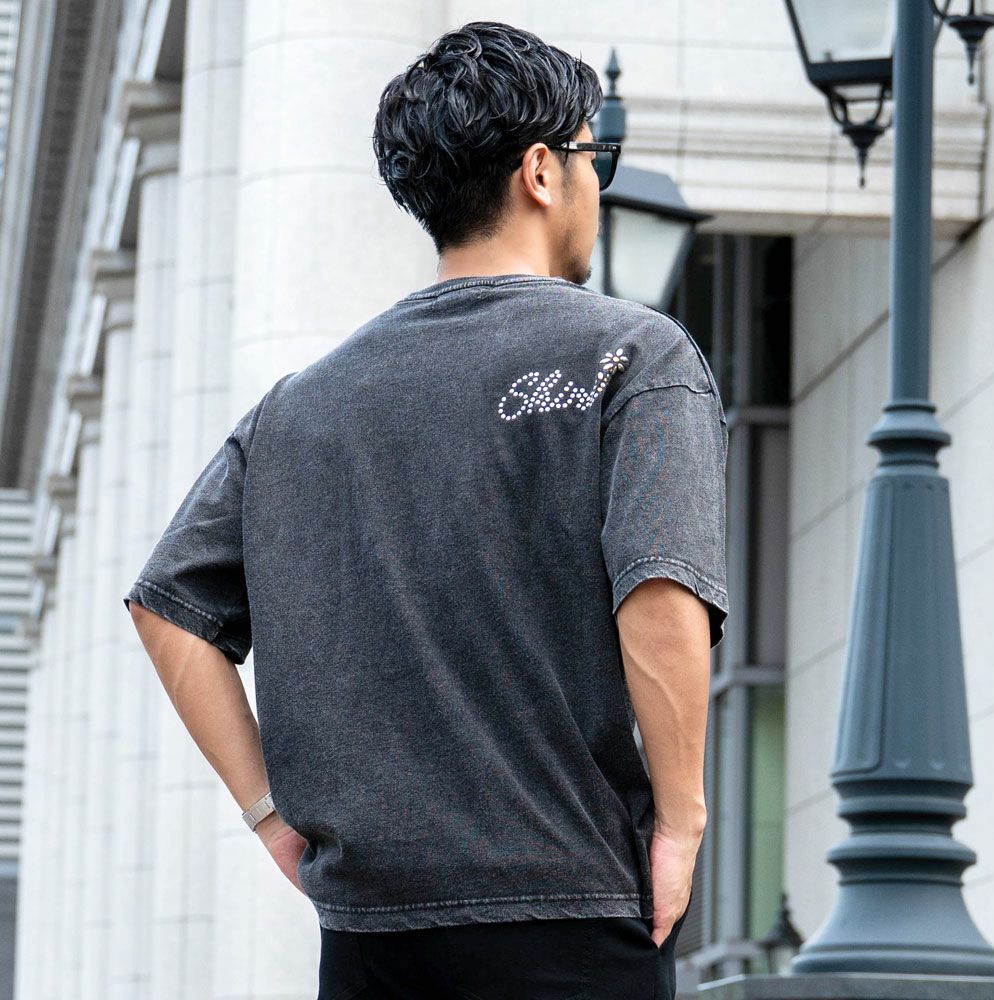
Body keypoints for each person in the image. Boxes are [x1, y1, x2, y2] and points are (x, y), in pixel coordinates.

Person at [124, 19, 728, 1000]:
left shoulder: (297, 407)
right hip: (567, 912)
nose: (598, 188)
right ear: (542, 170)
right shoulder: (632, 356)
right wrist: (682, 822)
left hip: (373, 937)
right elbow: (659, 589)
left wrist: (270, 815)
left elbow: (167, 609)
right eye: (595, 158)